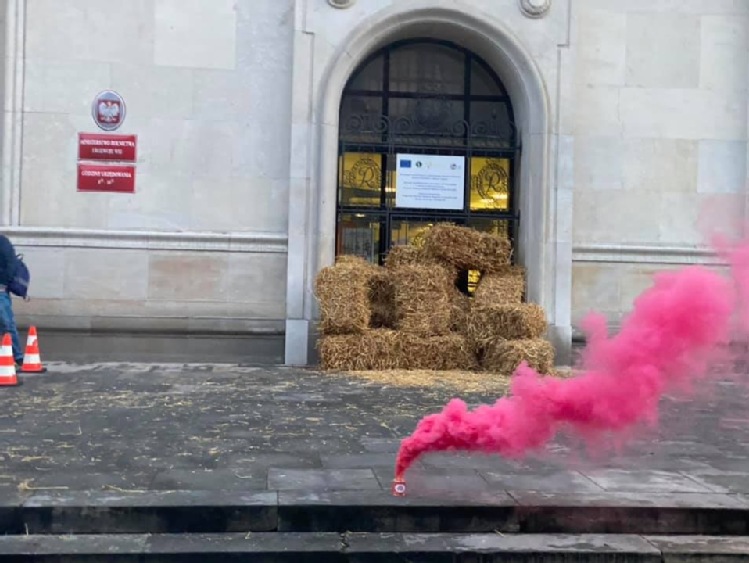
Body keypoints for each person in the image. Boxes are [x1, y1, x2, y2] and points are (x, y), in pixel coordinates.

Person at [0, 234, 23, 366]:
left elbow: (11, 264)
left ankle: (17, 356)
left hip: (0, 289)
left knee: (6, 324)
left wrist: (3, 281)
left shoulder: (2, 242)